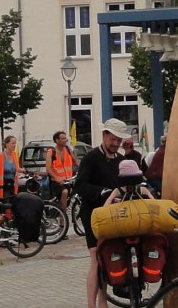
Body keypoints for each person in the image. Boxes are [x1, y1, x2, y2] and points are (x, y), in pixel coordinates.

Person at [78, 118, 137, 308]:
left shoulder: (121, 160)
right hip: (93, 215)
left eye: (119, 141)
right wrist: (101, 191)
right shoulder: (91, 157)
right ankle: (91, 305)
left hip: (113, 215)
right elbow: (79, 185)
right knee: (96, 260)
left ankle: (103, 302)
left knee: (106, 259)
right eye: (112, 139)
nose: (116, 144)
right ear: (104, 136)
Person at [46, 131, 76, 216]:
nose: (65, 140)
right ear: (57, 140)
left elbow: (76, 162)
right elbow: (48, 169)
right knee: (65, 192)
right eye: (63, 138)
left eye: (65, 138)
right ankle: (63, 217)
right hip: (56, 181)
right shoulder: (51, 152)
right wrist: (57, 178)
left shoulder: (68, 150)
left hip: (68, 180)